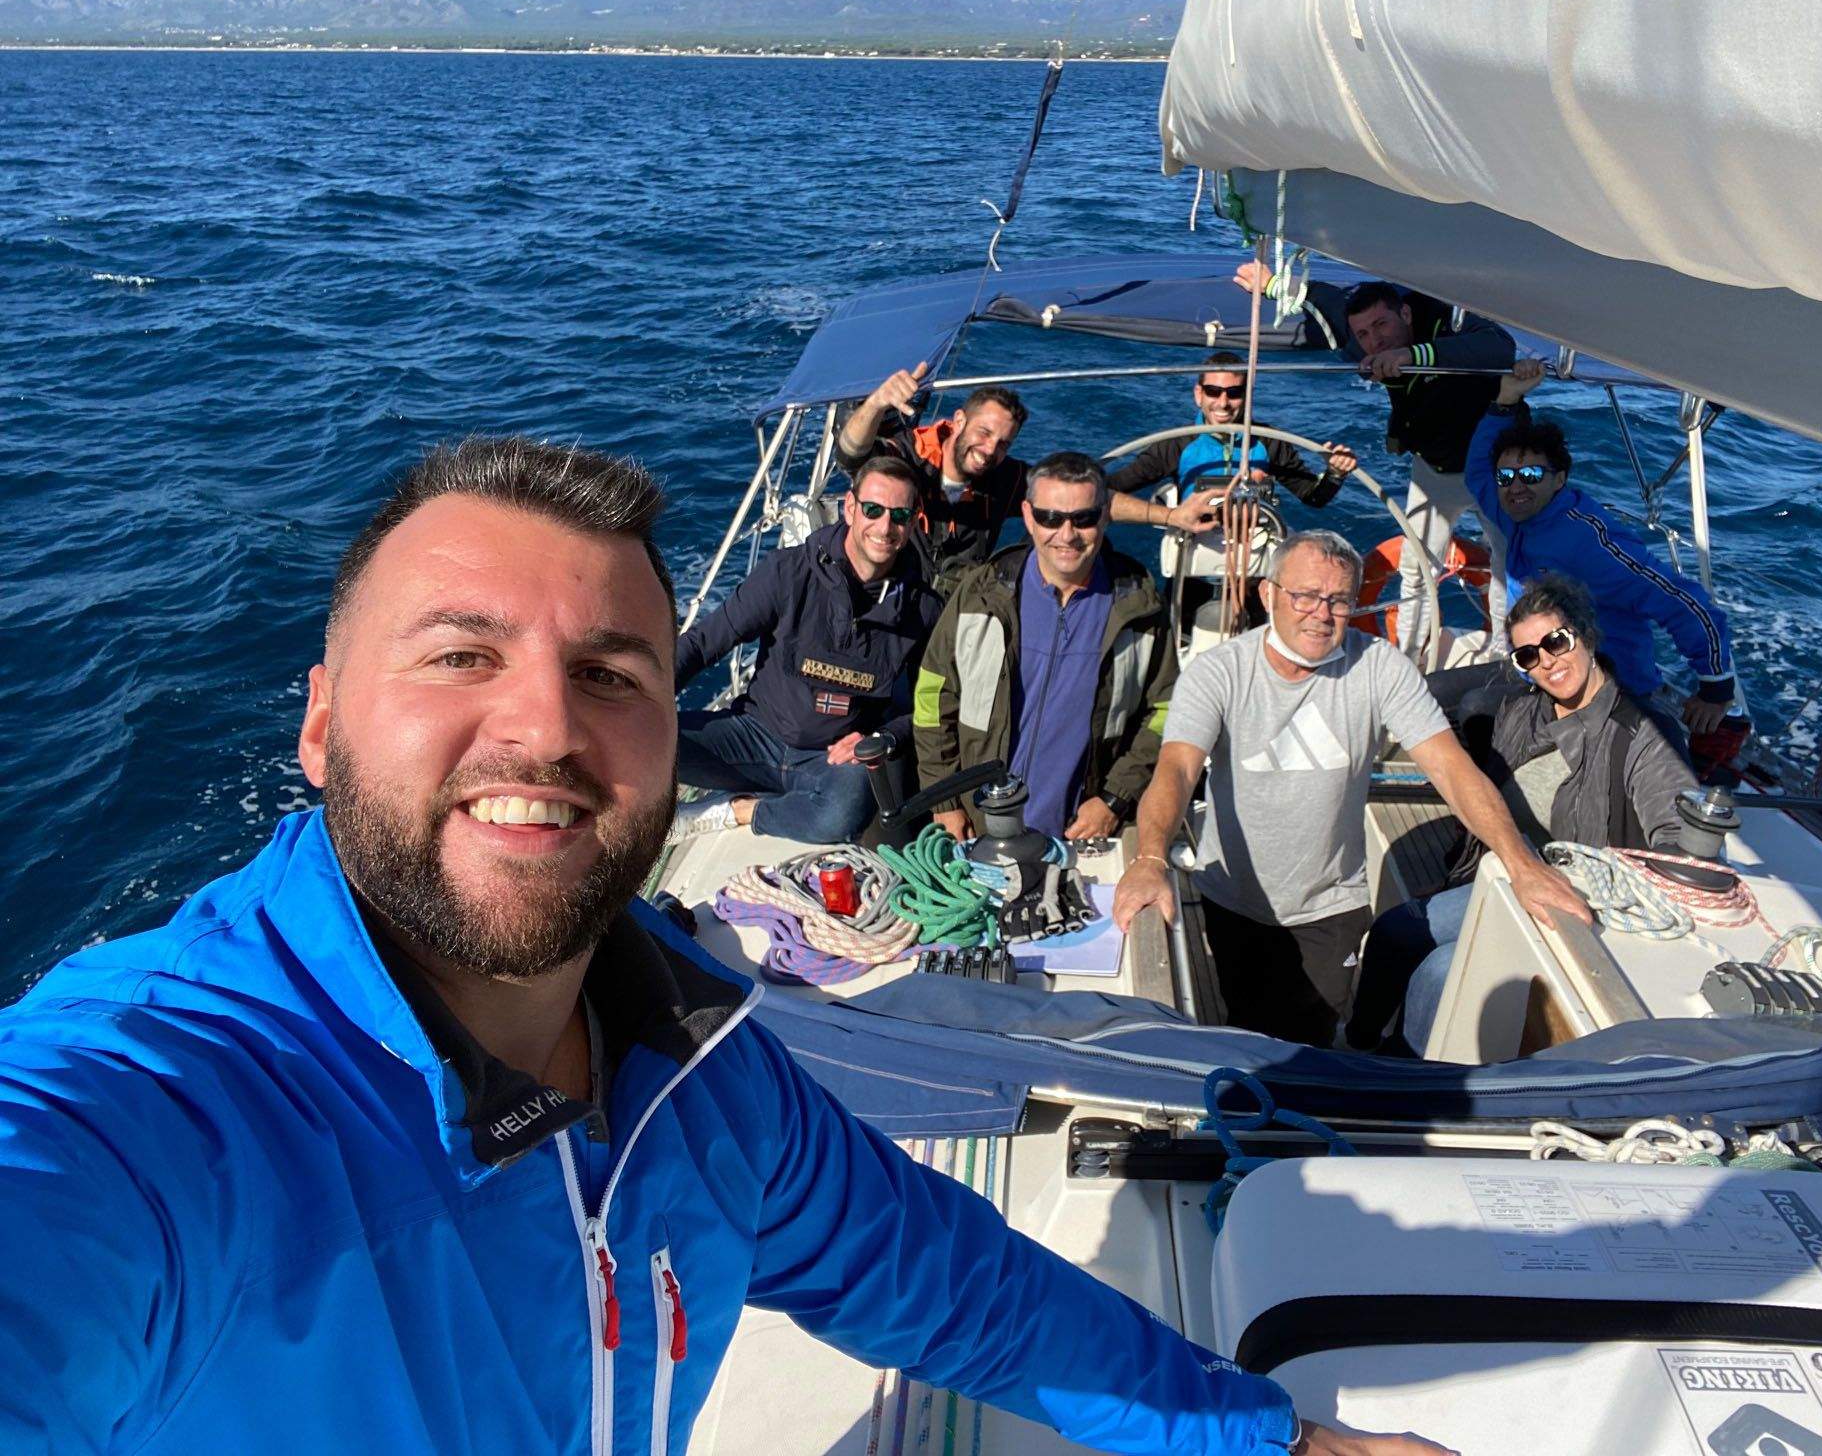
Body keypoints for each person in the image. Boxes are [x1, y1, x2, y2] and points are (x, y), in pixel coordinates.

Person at [0, 435, 1450, 1456]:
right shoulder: (171, 1100)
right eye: (458, 655)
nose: (544, 727)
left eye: (610, 674)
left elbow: (952, 1285)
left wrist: (1269, 1442)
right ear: (319, 724)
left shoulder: (700, 1070)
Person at [1112, 529, 1590, 1047]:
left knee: (1307, 1040)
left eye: (1338, 600)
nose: (1321, 613)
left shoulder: (1380, 667)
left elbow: (1452, 769)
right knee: (1241, 1027)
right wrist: (1149, 861)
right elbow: (1177, 769)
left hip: (1329, 907)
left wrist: (1522, 865)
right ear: (1268, 594)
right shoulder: (1218, 672)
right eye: (1305, 596)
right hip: (1232, 899)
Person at [1344, 574, 1700, 1055]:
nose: (1548, 661)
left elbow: (1678, 850)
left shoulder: (1644, 735)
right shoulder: (1519, 715)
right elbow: (1440, 707)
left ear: (1586, 634)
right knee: (1393, 932)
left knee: (1439, 972)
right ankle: (1360, 1047)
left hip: (1579, 902)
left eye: (1556, 641)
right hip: (1502, 878)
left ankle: (1411, 1080)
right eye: (1528, 655)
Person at [1237, 266, 1515, 663]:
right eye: (1364, 333)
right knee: (1418, 564)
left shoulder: (1446, 320)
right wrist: (1272, 285)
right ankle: (1409, 655)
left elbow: (1501, 347)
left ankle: (1506, 657)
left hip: (1489, 465)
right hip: (1434, 466)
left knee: (1507, 563)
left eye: (1382, 325)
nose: (1375, 340)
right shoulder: (1361, 342)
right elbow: (1326, 300)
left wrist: (1413, 355)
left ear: (1405, 314)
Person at [670, 455, 941, 844]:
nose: (885, 526)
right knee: (639, 744)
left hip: (831, 760)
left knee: (841, 814)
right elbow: (705, 642)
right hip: (751, 735)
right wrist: (648, 701)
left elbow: (928, 703)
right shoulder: (789, 572)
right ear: (850, 508)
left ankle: (740, 811)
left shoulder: (924, 610)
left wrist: (886, 736)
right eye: (873, 510)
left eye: (899, 515)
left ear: (913, 521)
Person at [913, 451, 1176, 843]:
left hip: (1082, 832)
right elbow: (934, 694)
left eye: (1083, 518)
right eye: (1050, 518)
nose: (1066, 535)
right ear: (1028, 515)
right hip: (976, 826)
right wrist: (945, 800)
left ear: (1105, 514)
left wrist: (1114, 799)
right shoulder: (981, 593)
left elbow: (1165, 711)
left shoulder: (1138, 606)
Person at [1467, 359, 1736, 733]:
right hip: (1542, 671)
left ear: (1559, 479)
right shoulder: (1516, 511)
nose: (1516, 485)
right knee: (1431, 693)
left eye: (1530, 474)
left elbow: (1679, 599)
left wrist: (1716, 687)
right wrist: (1505, 402)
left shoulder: (1589, 543)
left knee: (1474, 710)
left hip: (1610, 689)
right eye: (1507, 476)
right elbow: (1478, 473)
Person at [1106, 351, 1361, 534]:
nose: (1223, 402)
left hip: (1255, 560)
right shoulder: (1175, 444)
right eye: (1213, 392)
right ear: (1199, 394)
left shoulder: (1270, 442)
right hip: (1194, 561)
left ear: (1247, 396)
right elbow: (1108, 491)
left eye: (1234, 393)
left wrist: (1335, 474)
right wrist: (1169, 516)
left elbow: (1313, 498)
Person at [837, 361, 1029, 583]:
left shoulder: (1006, 477)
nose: (989, 450)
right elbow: (851, 456)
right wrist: (875, 405)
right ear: (959, 420)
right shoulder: (909, 455)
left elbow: (1060, 490)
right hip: (895, 597)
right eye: (984, 433)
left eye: (1003, 444)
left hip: (964, 603)